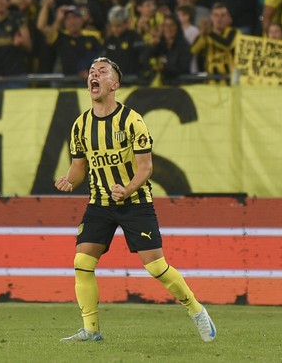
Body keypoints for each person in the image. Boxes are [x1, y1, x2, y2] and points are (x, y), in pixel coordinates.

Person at [55, 56, 216, 343]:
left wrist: (127, 189)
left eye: (102, 72)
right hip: (100, 203)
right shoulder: (80, 125)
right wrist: (68, 179)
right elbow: (79, 168)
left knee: (156, 268)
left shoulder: (132, 120)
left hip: (135, 202)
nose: (95, 75)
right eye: (92, 71)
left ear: (114, 84)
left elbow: (146, 168)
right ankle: (91, 330)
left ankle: (196, 309)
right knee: (82, 261)